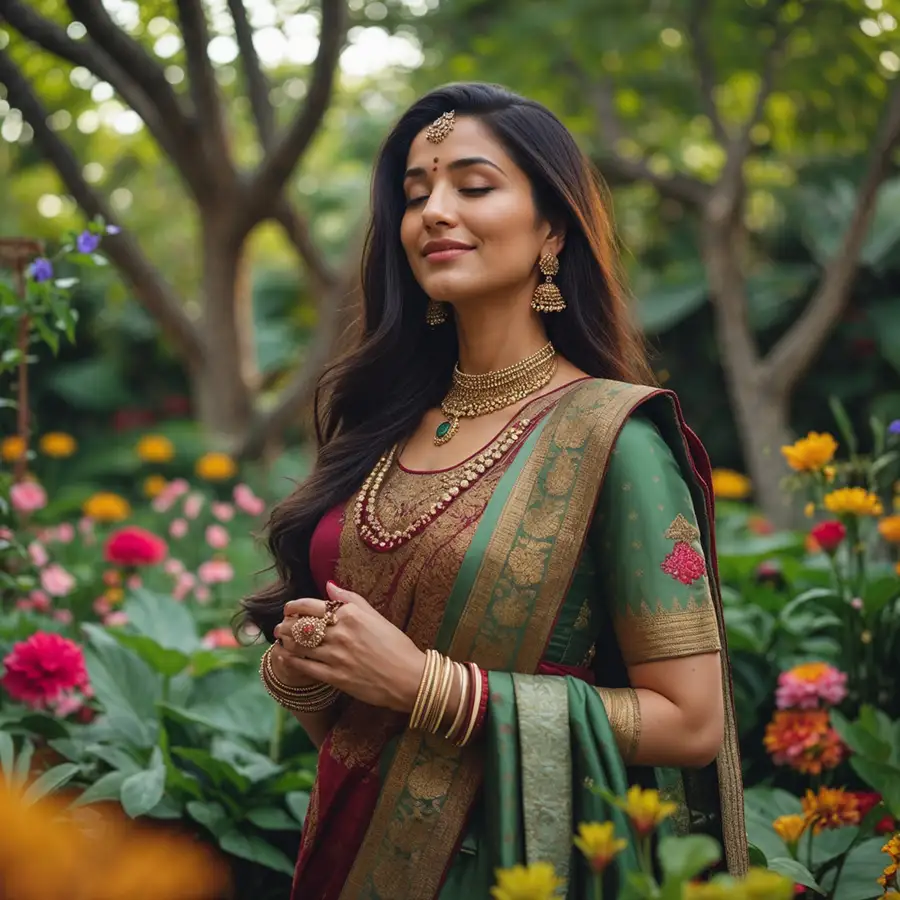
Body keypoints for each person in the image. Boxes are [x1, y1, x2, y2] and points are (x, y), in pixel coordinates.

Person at [238, 82, 748, 900]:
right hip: (347, 853)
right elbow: (355, 729)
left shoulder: (613, 438)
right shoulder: (384, 425)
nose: (435, 210)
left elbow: (692, 724)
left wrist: (425, 685)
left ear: (552, 226)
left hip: (510, 866)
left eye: (473, 186)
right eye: (415, 194)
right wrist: (308, 672)